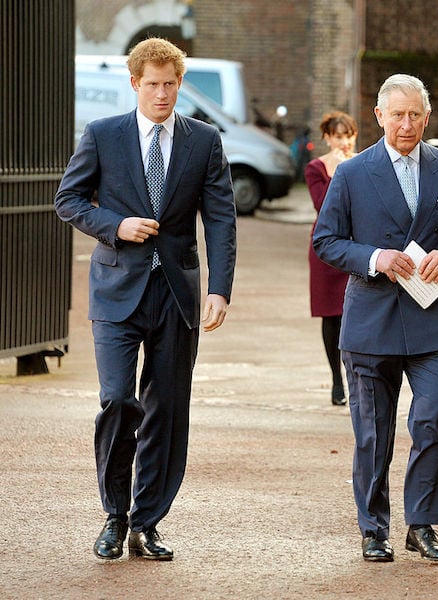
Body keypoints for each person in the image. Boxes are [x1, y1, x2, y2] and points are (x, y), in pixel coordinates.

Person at [55, 37, 237, 561]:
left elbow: (221, 218)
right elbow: (68, 200)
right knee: (118, 399)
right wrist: (115, 225)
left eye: (170, 84)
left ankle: (147, 521)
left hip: (177, 293)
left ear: (181, 84)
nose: (162, 93)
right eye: (152, 84)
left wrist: (220, 288)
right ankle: (114, 514)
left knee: (168, 410)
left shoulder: (204, 140)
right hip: (116, 292)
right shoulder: (103, 135)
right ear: (134, 83)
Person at [313, 74, 438, 563]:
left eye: (416, 115)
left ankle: (423, 525)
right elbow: (326, 240)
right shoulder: (351, 173)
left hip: (432, 320)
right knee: (373, 432)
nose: (406, 124)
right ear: (379, 116)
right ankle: (373, 528)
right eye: (398, 114)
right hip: (371, 321)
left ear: (427, 118)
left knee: (432, 418)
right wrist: (374, 258)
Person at [305, 111, 358, 406]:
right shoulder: (316, 167)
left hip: (357, 246)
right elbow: (322, 204)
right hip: (326, 250)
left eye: (348, 135)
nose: (344, 141)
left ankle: (355, 377)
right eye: (338, 136)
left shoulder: (364, 163)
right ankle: (336, 380)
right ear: (327, 138)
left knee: (356, 313)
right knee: (331, 316)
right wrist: (337, 170)